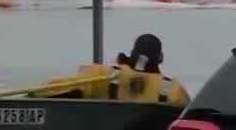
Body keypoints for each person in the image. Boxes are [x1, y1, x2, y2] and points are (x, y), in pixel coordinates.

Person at [35, 34, 189, 106]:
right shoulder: (173, 90)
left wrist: (36, 93)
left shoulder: (104, 75)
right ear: (160, 58)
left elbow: (54, 89)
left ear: (131, 54)